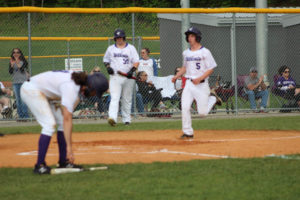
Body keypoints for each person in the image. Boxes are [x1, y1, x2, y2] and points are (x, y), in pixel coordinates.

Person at [20, 70, 108, 174]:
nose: (93, 95)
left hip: (43, 92)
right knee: (49, 124)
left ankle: (63, 162)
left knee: (61, 121)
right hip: (31, 90)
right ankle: (39, 165)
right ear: (90, 86)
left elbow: (69, 108)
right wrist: (69, 149)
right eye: (95, 92)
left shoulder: (78, 81)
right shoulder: (71, 86)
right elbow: (68, 118)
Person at [172, 27, 222, 139]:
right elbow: (185, 67)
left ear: (197, 37)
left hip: (201, 84)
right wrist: (176, 76)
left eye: (192, 36)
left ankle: (213, 98)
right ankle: (188, 132)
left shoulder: (205, 52)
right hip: (189, 84)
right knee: (184, 107)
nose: (189, 38)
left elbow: (211, 69)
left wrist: (200, 78)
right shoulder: (186, 53)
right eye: (188, 36)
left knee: (202, 113)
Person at [103, 28, 139, 126]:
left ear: (124, 37)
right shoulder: (111, 48)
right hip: (115, 76)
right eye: (117, 37)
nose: (119, 39)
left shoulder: (131, 48)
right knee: (115, 97)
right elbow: (106, 60)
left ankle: (126, 119)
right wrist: (108, 67)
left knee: (127, 99)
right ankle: (112, 118)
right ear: (115, 38)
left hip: (128, 77)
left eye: (121, 37)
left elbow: (136, 61)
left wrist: (132, 70)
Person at [8, 48, 29, 120]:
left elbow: (22, 69)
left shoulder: (23, 61)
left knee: (24, 99)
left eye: (17, 52)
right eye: (14, 52)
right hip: (15, 82)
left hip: (23, 82)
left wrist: (16, 61)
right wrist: (11, 65)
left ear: (20, 53)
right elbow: (10, 72)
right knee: (18, 100)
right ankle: (20, 116)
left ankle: (25, 116)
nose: (15, 54)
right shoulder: (11, 61)